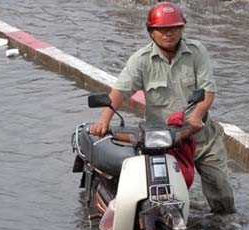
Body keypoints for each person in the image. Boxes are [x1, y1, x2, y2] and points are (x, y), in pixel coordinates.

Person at [90, 2, 236, 214]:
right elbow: (120, 92)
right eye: (162, 29)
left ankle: (225, 227)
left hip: (200, 136)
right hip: (163, 140)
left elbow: (207, 91)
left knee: (221, 190)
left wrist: (197, 116)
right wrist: (104, 119)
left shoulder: (197, 52)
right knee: (160, 194)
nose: (169, 34)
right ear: (151, 31)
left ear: (182, 29)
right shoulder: (141, 61)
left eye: (174, 28)